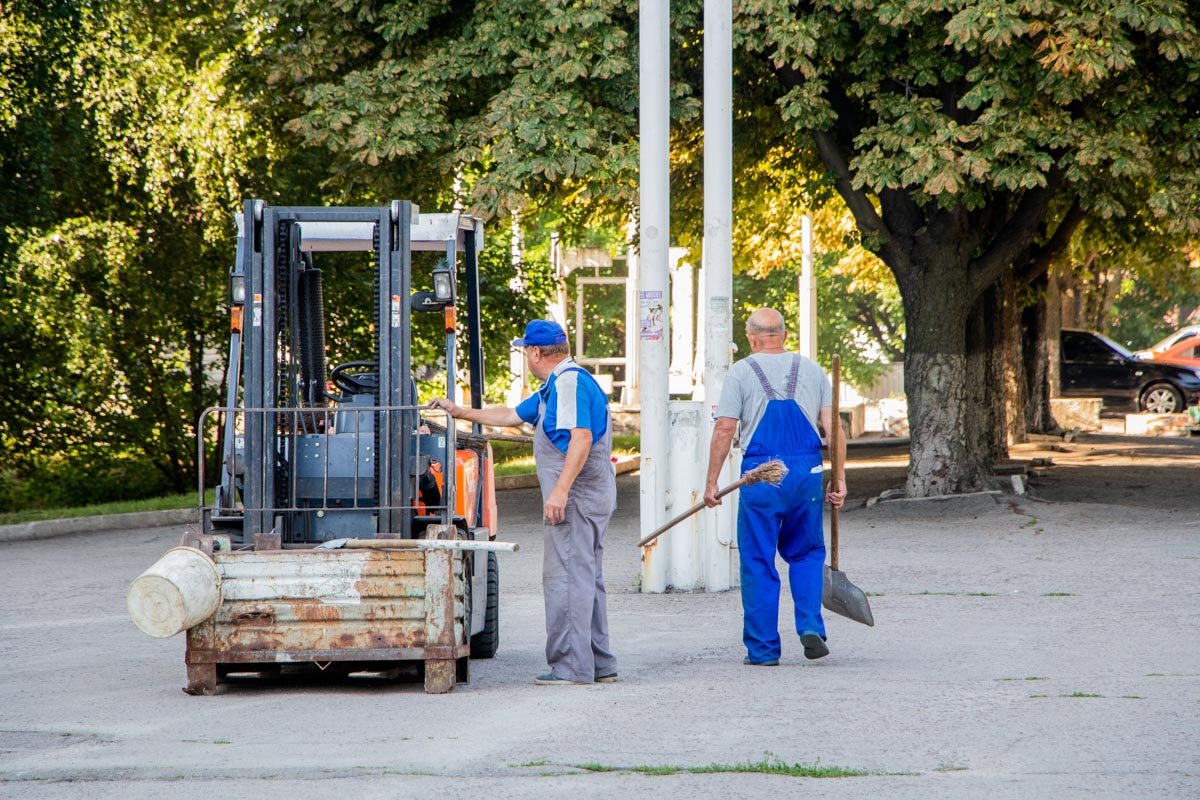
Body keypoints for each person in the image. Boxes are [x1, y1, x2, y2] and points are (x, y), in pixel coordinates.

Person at [431, 319, 618, 685]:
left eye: (524, 351)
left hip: (576, 497)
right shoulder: (560, 384)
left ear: (535, 352)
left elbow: (580, 439)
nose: (524, 357)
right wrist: (460, 412)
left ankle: (572, 668)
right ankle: (599, 664)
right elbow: (513, 415)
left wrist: (560, 491)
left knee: (565, 578)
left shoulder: (568, 386)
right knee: (585, 577)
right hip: (591, 494)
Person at [704, 307, 847, 665]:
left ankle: (764, 649)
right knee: (808, 553)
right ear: (783, 335)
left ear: (752, 338)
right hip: (807, 470)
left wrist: (711, 483)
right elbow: (834, 430)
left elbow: (724, 429)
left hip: (762, 472)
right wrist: (840, 479)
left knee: (757, 558)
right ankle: (811, 626)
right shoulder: (813, 371)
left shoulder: (740, 372)